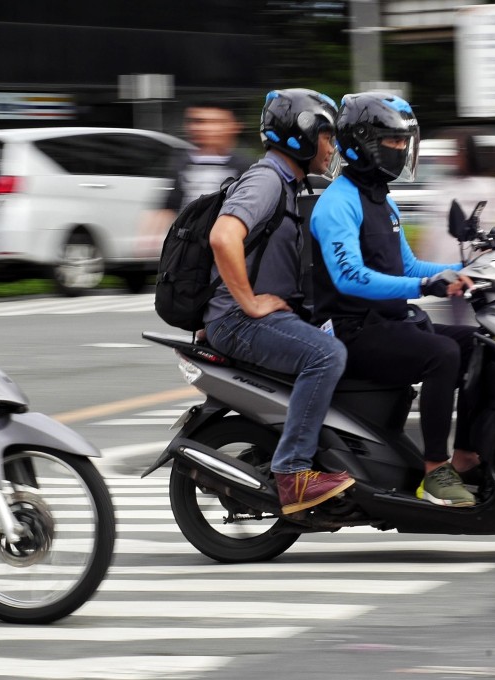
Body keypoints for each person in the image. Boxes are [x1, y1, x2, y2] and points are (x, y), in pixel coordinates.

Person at [309, 91, 480, 508]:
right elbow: (350, 278)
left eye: (405, 142)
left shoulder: (381, 199)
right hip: (350, 330)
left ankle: (468, 455)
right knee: (442, 355)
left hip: (385, 323)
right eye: (393, 141)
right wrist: (424, 288)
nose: (401, 150)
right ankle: (434, 472)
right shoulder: (338, 203)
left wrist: (451, 275)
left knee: (479, 345)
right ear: (362, 143)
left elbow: (405, 264)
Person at [203, 88, 353, 515]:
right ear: (302, 136)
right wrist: (248, 303)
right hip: (240, 320)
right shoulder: (267, 179)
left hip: (249, 315)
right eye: (327, 136)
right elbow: (223, 236)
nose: (332, 147)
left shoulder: (288, 182)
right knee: (326, 355)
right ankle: (293, 473)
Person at [421, 132, 495, 325]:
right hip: (452, 268)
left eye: (460, 152)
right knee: (459, 322)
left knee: (490, 319)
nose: (455, 158)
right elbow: (432, 231)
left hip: (483, 268)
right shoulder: (446, 187)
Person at [138, 101, 255, 258]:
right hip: (189, 248)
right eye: (198, 122)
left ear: (233, 126)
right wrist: (149, 236)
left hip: (228, 246)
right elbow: (170, 203)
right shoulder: (182, 162)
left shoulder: (244, 165)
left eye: (214, 122)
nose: (205, 128)